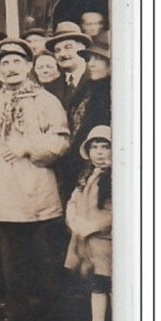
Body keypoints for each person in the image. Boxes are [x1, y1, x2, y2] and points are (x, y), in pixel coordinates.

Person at [0, 38, 70, 321]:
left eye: (17, 62)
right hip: (3, 191)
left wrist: (27, 145)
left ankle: (54, 314)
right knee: (10, 260)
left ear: (28, 66)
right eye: (5, 63)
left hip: (37, 189)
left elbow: (61, 140)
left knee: (44, 256)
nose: (11, 68)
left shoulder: (46, 100)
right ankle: (16, 313)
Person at [64, 125, 112, 321]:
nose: (99, 152)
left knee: (111, 283)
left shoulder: (116, 177)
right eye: (95, 147)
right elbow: (73, 201)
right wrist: (74, 220)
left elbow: (119, 212)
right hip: (87, 239)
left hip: (106, 240)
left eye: (105, 147)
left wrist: (95, 226)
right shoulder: (87, 175)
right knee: (96, 283)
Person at [59, 37, 112, 200]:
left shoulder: (112, 92)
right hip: (77, 162)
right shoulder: (87, 88)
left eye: (99, 59)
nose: (92, 64)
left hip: (100, 164)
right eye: (90, 59)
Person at [45, 21, 92, 110]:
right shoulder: (51, 89)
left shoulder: (101, 81)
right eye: (57, 50)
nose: (62, 54)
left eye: (68, 47)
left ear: (82, 48)